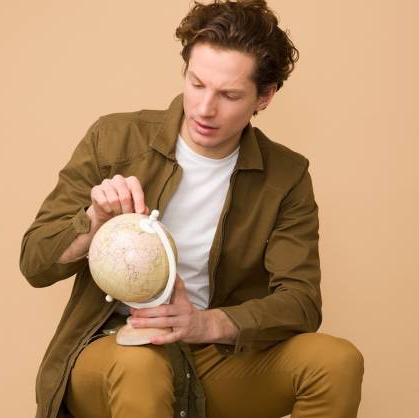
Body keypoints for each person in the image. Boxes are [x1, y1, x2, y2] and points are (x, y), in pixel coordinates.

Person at [19, 1, 364, 417]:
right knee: (141, 368)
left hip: (213, 354)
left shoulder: (287, 175)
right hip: (114, 347)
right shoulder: (114, 138)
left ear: (265, 96)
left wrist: (206, 324)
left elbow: (302, 302)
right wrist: (94, 222)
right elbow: (35, 263)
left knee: (337, 362)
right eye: (197, 84)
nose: (204, 109)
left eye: (229, 95)